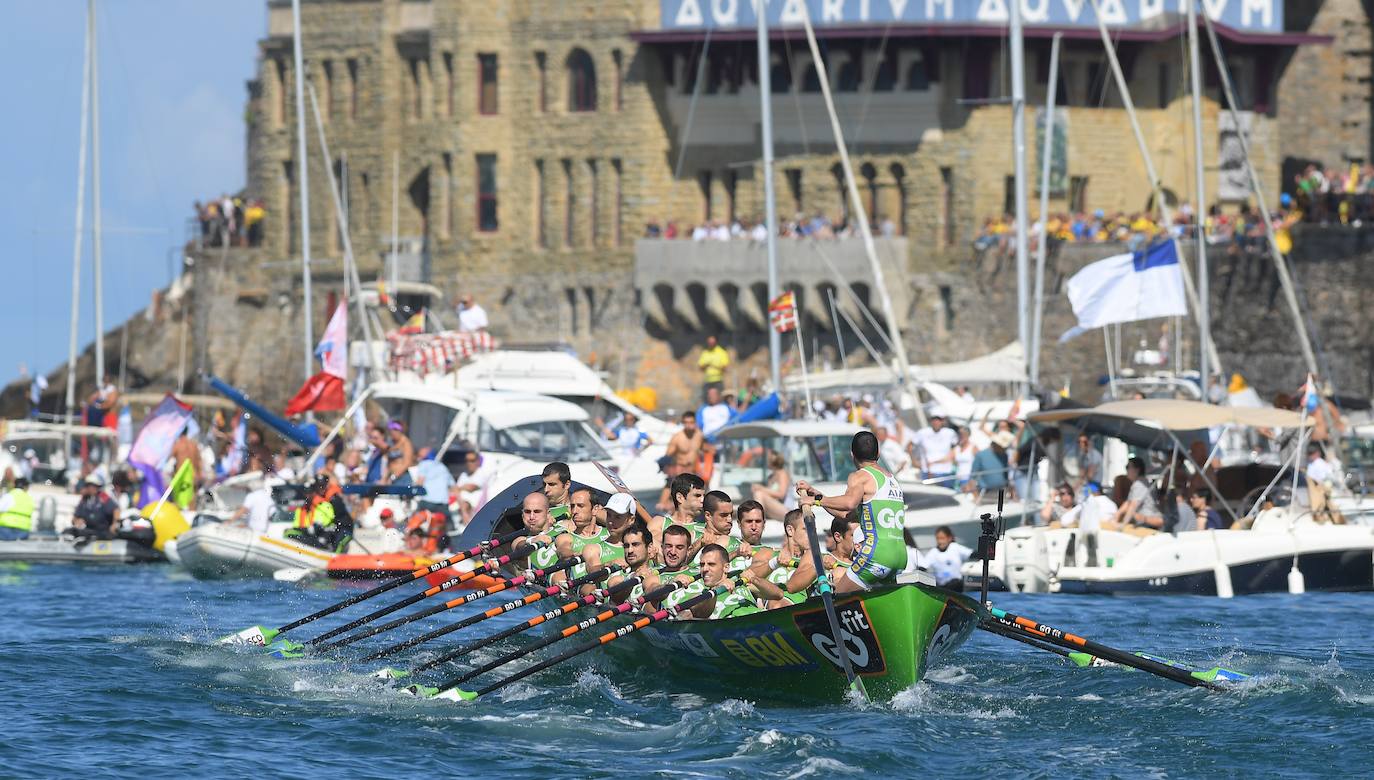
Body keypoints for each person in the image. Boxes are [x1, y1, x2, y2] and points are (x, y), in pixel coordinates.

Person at [794, 430, 906, 592]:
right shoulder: (892, 480)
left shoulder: (860, 476)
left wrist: (815, 501)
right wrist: (819, 495)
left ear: (852, 454)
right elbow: (846, 515)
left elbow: (849, 503)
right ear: (879, 453)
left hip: (877, 555)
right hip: (900, 558)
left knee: (840, 597)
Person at [1112, 457, 1164, 534]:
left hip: (1148, 523)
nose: (1126, 470)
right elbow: (1128, 503)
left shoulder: (1139, 484)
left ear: (1137, 470)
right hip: (1145, 522)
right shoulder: (1139, 483)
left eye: (1128, 467)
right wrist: (1116, 516)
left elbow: (1133, 505)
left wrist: (1123, 524)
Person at [920, 526, 972, 590]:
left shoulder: (955, 547)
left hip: (956, 586)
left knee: (955, 582)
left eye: (942, 538)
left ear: (949, 538)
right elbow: (923, 566)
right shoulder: (933, 552)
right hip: (941, 587)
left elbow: (971, 554)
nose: (940, 541)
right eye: (938, 539)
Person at [913, 414, 957, 486]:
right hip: (927, 472)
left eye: (938, 420)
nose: (936, 422)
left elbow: (954, 450)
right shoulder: (922, 432)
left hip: (946, 471)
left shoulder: (950, 433)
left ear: (942, 421)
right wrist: (914, 461)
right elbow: (910, 445)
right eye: (934, 420)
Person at [412, 446, 455, 523]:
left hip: (427, 503)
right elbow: (454, 488)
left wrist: (410, 491)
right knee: (448, 530)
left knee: (414, 525)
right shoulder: (443, 467)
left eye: (419, 455)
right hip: (442, 505)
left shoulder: (424, 464)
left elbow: (419, 484)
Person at [751, 451, 797, 520]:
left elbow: (781, 494)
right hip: (776, 507)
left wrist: (761, 488)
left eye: (767, 459)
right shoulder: (771, 477)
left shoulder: (782, 474)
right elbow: (771, 495)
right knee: (758, 493)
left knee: (759, 494)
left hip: (786, 510)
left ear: (772, 461)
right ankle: (757, 518)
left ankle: (758, 519)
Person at [70, 476, 118, 540]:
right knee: (70, 531)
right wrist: (77, 521)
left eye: (95, 486)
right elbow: (74, 518)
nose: (93, 488)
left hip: (102, 531)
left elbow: (116, 509)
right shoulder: (84, 500)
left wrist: (115, 524)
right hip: (88, 530)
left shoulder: (103, 496)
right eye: (90, 486)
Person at [455, 450, 496, 525]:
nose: (469, 463)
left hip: (476, 508)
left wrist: (460, 488)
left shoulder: (481, 473)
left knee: (465, 505)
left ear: (478, 461)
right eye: (466, 460)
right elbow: (456, 490)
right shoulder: (463, 474)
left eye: (472, 460)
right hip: (461, 505)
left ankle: (465, 521)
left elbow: (471, 487)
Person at [969, 431, 1014, 496]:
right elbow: (973, 477)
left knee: (1001, 505)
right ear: (996, 444)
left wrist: (1011, 492)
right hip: (985, 493)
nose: (1005, 449)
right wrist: (975, 496)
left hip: (1001, 493)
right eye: (1003, 447)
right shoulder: (981, 455)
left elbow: (1006, 476)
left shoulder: (1004, 456)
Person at [1074, 433, 1103, 497]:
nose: (1081, 444)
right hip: (1086, 485)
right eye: (1079, 442)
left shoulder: (1095, 455)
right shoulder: (1082, 455)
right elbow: (1081, 474)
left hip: (1094, 486)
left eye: (1084, 442)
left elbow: (1090, 475)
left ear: (1089, 442)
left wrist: (1077, 485)